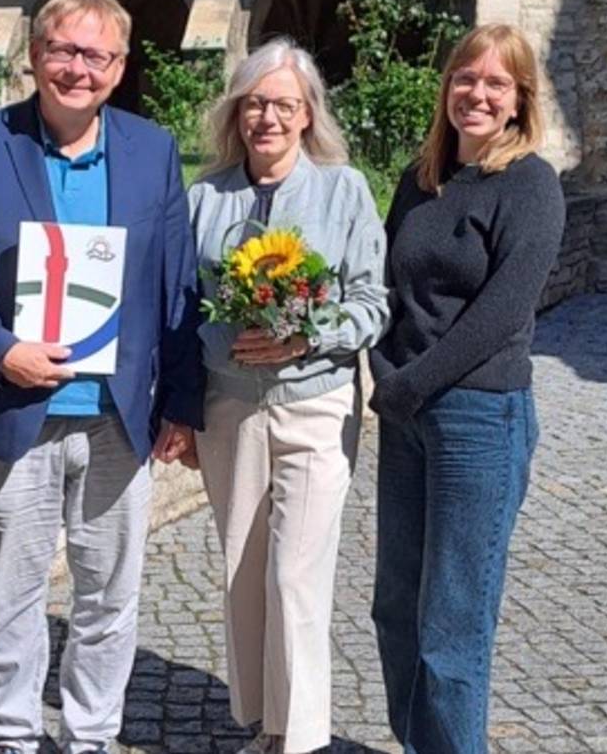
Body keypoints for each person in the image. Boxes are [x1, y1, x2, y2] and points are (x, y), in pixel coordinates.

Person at [0, 0, 204, 754]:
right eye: (64, 51)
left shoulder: (152, 150)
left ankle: (89, 736)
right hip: (14, 410)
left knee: (109, 595)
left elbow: (178, 284)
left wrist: (182, 403)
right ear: (36, 55)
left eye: (97, 55)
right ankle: (14, 735)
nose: (78, 69)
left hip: (120, 417)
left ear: (119, 67)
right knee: (12, 594)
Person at [185, 38, 389, 754]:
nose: (266, 117)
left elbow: (372, 302)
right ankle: (265, 724)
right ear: (237, 113)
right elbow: (179, 311)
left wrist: (308, 335)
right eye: (254, 103)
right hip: (228, 407)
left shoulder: (345, 190)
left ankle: (299, 741)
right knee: (242, 569)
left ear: (308, 115)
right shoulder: (206, 196)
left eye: (282, 104)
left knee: (293, 572)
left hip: (317, 401)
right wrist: (178, 412)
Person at [369, 23, 564, 754]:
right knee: (395, 609)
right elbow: (388, 286)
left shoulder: (531, 186)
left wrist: (406, 382)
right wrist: (383, 369)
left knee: (452, 626)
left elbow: (504, 313)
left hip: (480, 416)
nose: (476, 94)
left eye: (495, 83)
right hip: (409, 411)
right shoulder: (420, 183)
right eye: (464, 78)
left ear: (519, 101)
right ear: (446, 87)